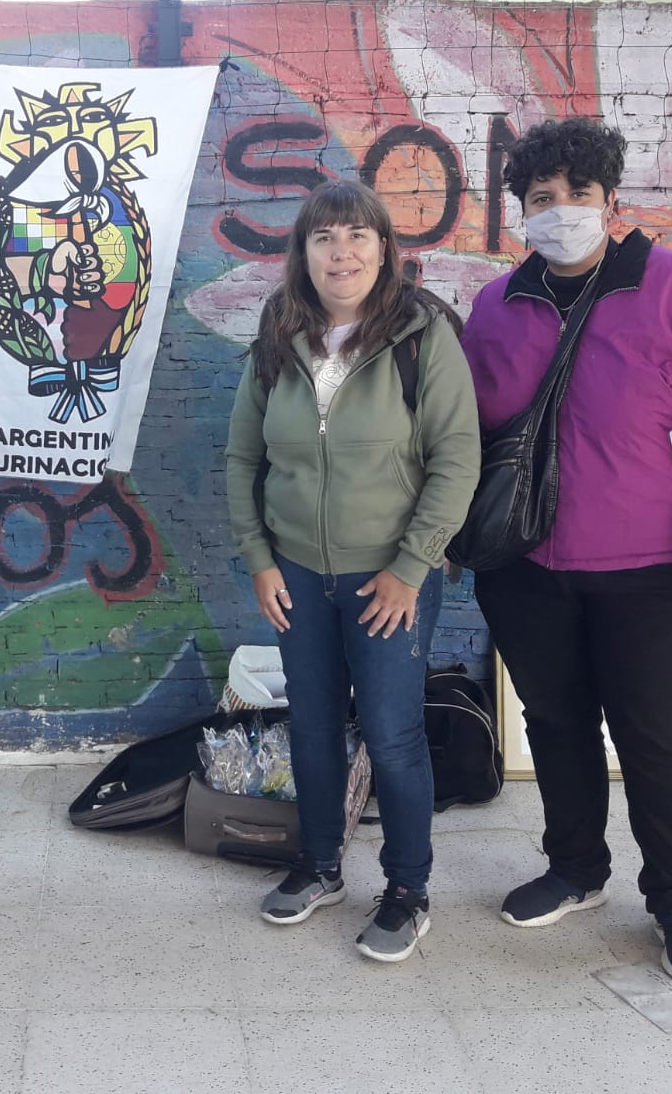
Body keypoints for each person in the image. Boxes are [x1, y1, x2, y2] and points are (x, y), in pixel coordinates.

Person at [461, 117, 672, 985]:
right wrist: (456, 536)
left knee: (659, 738)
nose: (560, 209)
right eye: (542, 197)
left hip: (653, 571)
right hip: (526, 569)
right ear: (521, 211)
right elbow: (465, 436)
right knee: (556, 724)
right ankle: (575, 868)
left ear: (610, 200)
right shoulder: (496, 307)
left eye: (578, 193)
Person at [225, 179, 480, 962]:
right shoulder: (280, 333)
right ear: (302, 253)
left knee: (393, 734)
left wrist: (411, 566)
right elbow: (242, 457)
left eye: (358, 235)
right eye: (324, 237)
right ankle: (320, 865)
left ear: (384, 248)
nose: (342, 252)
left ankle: (407, 889)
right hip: (297, 574)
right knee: (311, 725)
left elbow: (457, 458)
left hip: (388, 580)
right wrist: (260, 559)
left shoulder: (421, 334)